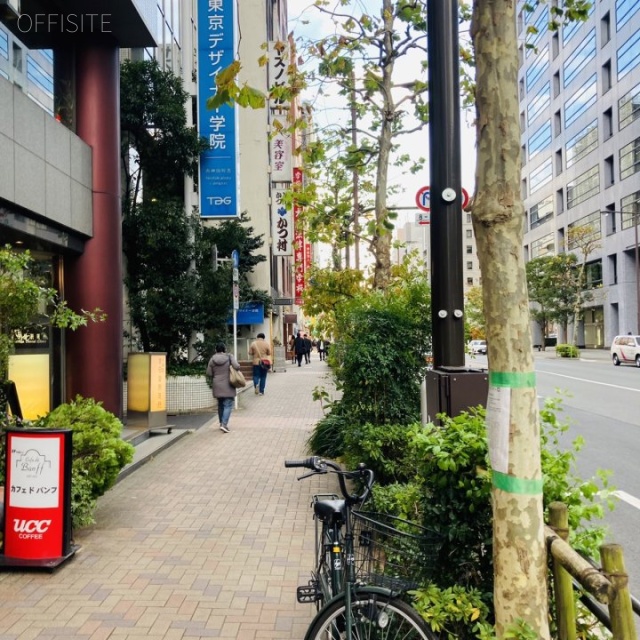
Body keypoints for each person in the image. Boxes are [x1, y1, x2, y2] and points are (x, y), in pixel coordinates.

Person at [206, 342, 241, 433]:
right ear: (224, 349)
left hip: (217, 384)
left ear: (216, 350)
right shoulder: (229, 357)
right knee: (228, 404)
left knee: (220, 405)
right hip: (228, 384)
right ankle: (224, 424)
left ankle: (221, 422)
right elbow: (237, 366)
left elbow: (209, 373)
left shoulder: (212, 359)